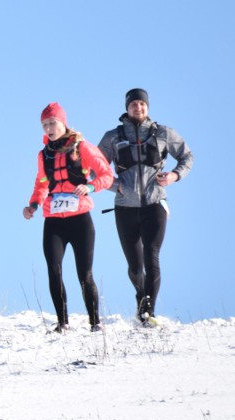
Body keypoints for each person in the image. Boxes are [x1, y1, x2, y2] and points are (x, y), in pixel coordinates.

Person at [97, 88, 194, 327]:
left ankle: (148, 311)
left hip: (154, 205)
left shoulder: (162, 133)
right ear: (127, 108)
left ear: (147, 107)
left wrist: (174, 175)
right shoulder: (113, 137)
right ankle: (141, 299)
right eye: (133, 104)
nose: (137, 108)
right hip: (124, 208)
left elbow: (187, 157)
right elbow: (94, 167)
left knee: (152, 256)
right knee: (134, 265)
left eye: (141, 103)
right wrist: (113, 185)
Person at [22, 102, 114, 332]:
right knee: (54, 269)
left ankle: (95, 323)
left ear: (63, 122)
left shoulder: (81, 148)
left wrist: (90, 187)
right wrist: (33, 204)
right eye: (44, 125)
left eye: (52, 123)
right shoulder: (43, 155)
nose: (49, 128)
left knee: (84, 273)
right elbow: (41, 183)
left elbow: (107, 175)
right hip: (53, 221)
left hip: (80, 219)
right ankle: (62, 322)